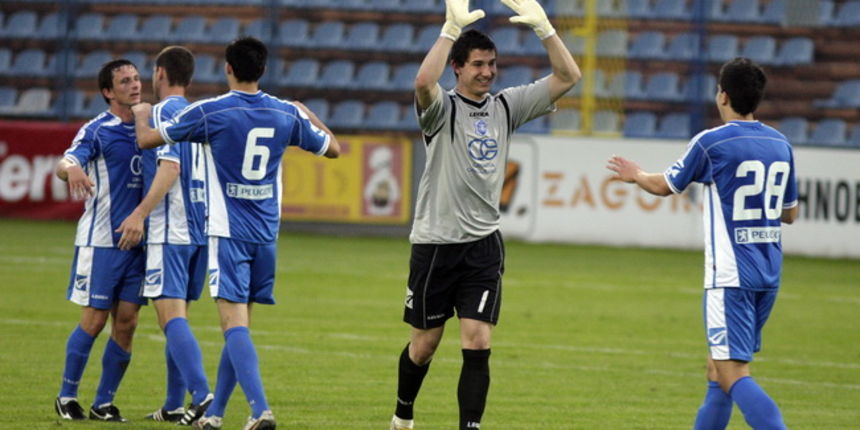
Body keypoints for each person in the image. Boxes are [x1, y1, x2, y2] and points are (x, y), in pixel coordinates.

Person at [131, 37, 341, 430]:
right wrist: (307, 113)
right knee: (240, 326)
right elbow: (334, 150)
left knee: (234, 327)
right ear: (263, 70)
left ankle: (261, 410)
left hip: (228, 233)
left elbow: (147, 141)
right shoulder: (284, 112)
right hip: (267, 237)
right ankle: (214, 415)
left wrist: (142, 114)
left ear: (228, 68)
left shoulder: (211, 111)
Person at [389, 1, 581, 429]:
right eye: (478, 64)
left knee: (477, 341)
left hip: (483, 246)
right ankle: (402, 415)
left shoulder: (506, 107)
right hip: (435, 244)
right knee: (424, 346)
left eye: (492, 64)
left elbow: (569, 77)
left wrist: (545, 28)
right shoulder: (442, 110)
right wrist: (449, 30)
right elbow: (423, 81)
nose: (488, 72)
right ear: (456, 68)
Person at [606, 57, 798, 430]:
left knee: (732, 372)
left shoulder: (711, 142)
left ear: (722, 95)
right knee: (717, 369)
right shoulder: (780, 143)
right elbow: (789, 214)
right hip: (767, 272)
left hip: (729, 276)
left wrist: (635, 175)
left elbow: (664, 186)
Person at [114, 45, 213, 425]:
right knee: (179, 317)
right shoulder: (200, 114)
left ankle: (201, 393)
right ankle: (174, 405)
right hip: (200, 230)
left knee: (170, 316)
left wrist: (139, 213)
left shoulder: (162, 113)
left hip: (172, 229)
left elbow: (169, 168)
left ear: (159, 74)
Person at [53, 59, 146, 423]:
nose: (134, 85)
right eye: (125, 81)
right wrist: (71, 167)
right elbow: (67, 161)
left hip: (138, 243)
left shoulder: (148, 128)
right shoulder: (97, 130)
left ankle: (104, 402)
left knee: (127, 322)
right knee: (93, 321)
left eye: (137, 78)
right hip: (102, 242)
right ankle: (67, 395)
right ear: (108, 92)